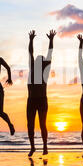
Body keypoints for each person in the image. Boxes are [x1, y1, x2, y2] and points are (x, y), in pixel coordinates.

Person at [27, 29, 56, 157]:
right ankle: (33, 147)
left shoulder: (45, 71)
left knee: (42, 124)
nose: (37, 61)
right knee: (30, 125)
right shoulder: (32, 67)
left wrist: (51, 40)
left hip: (42, 100)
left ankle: (45, 147)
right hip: (31, 100)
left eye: (40, 60)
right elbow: (30, 52)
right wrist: (31, 40)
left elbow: (50, 53)